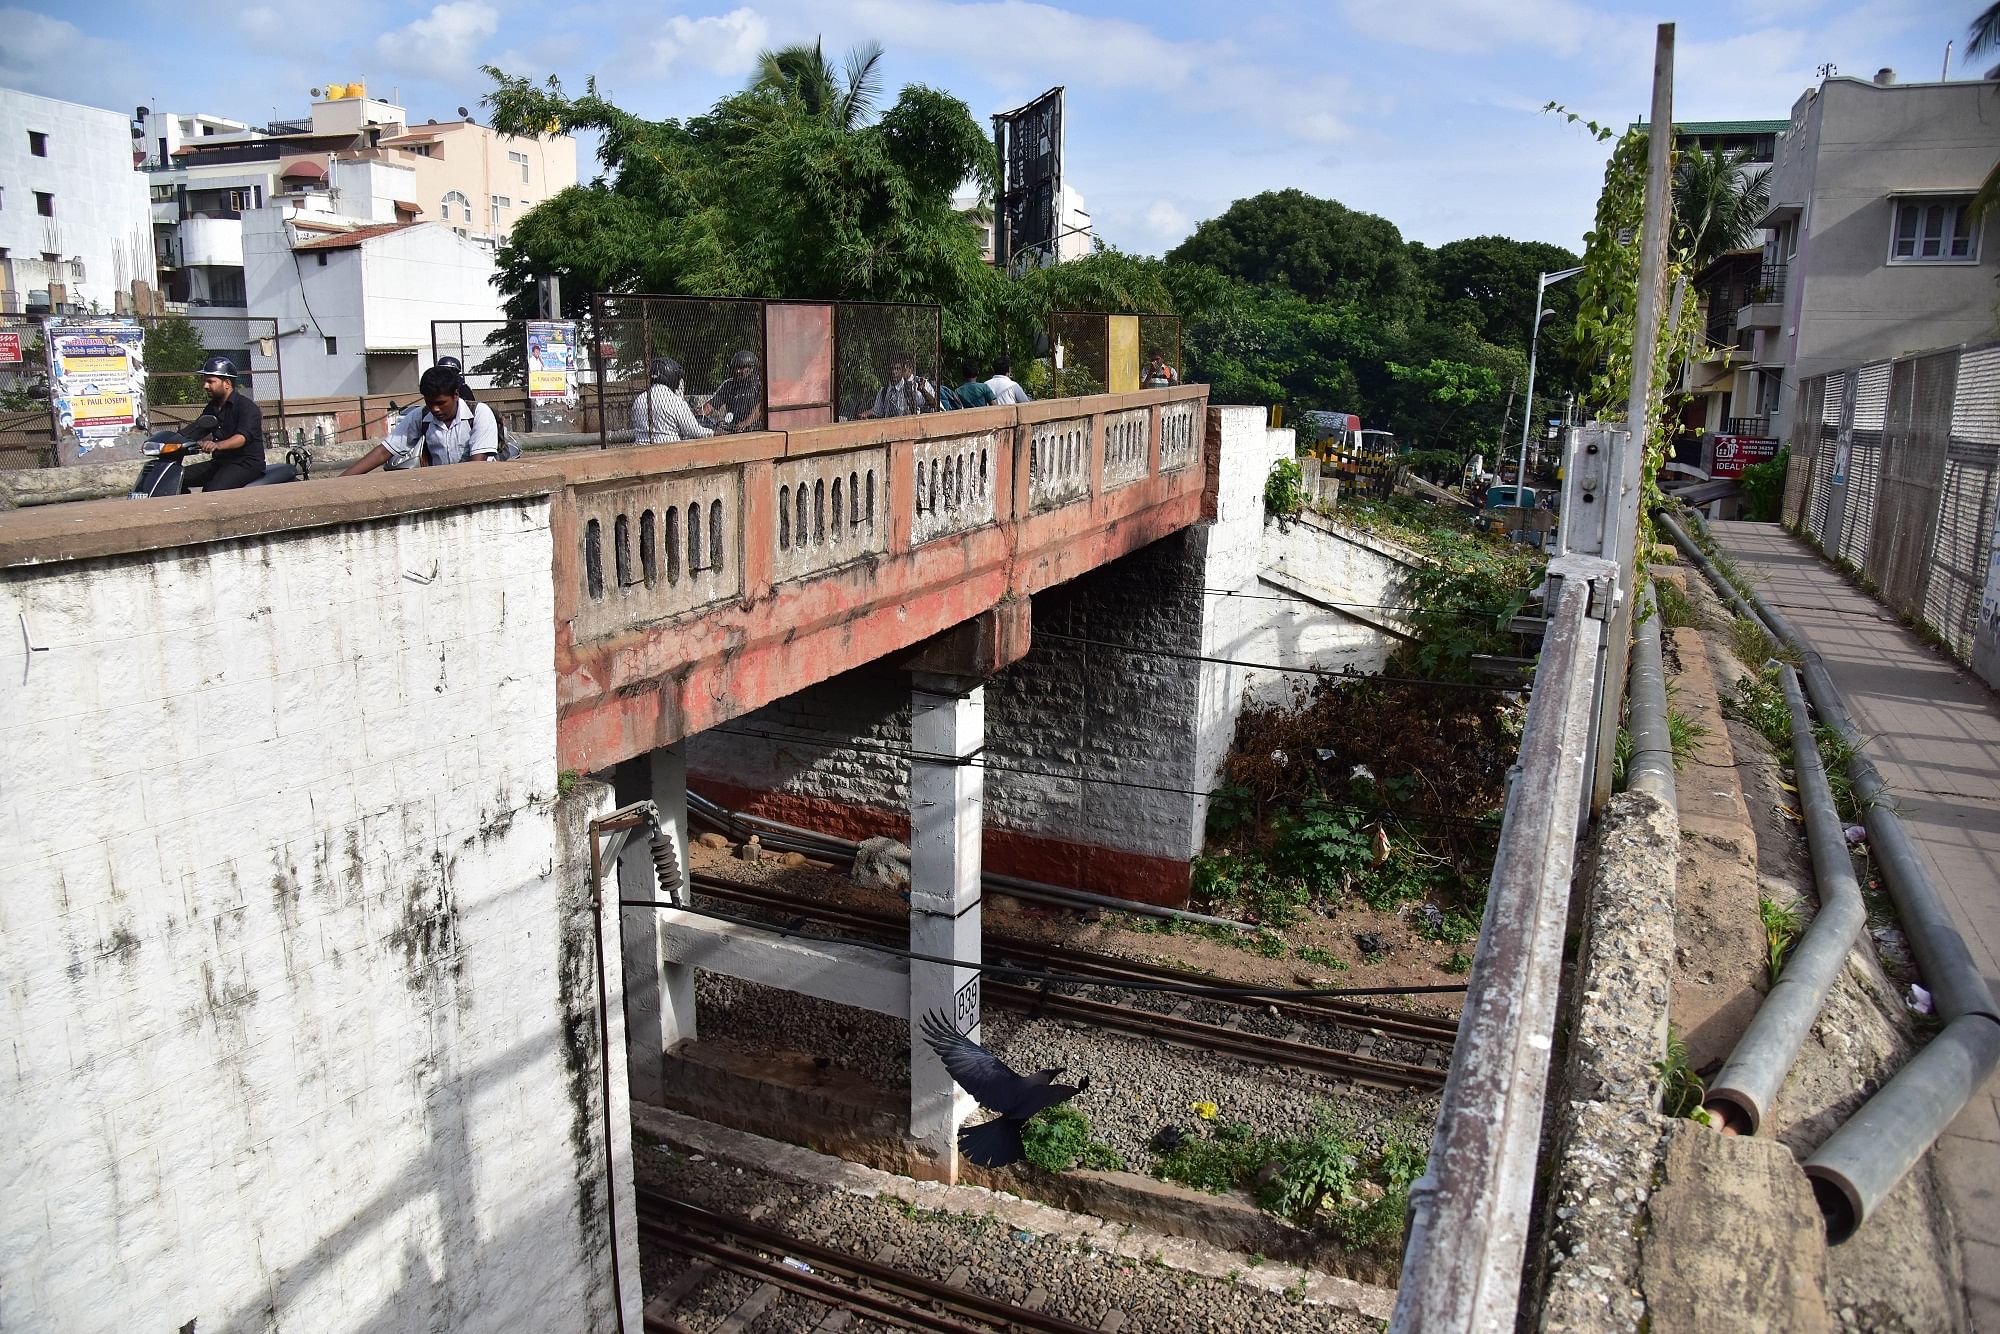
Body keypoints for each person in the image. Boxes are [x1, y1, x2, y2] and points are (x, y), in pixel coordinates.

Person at [342, 364, 500, 474]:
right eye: (430, 403)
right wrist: (340, 482)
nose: (435, 409)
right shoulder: (421, 416)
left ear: (456, 395)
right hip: (442, 486)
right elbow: (384, 452)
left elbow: (477, 465)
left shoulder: (479, 413)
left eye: (441, 403)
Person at [180, 356, 266, 492]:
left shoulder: (246, 407)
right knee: (177, 477)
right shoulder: (212, 408)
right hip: (221, 462)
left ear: (227, 383)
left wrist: (217, 445)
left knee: (211, 491)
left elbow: (241, 438)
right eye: (204, 381)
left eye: (210, 382)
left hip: (245, 463)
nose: (205, 386)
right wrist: (169, 441)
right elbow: (196, 430)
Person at [631, 357, 713, 444]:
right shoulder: (675, 401)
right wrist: (713, 433)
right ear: (671, 375)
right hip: (669, 451)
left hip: (640, 449)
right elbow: (694, 431)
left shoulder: (639, 400)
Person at [700, 349, 765, 433]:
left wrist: (746, 423)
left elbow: (760, 407)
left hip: (754, 430)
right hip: (733, 427)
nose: (738, 371)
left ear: (751, 368)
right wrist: (699, 415)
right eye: (736, 368)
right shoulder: (729, 385)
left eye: (742, 368)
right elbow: (712, 404)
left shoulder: (759, 385)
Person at [860, 353, 939, 419]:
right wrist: (865, 415)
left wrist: (923, 391)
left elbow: (932, 404)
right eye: (891, 369)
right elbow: (877, 412)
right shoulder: (883, 391)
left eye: (897, 369)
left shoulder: (911, 388)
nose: (894, 372)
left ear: (902, 371)